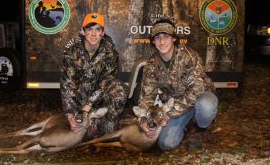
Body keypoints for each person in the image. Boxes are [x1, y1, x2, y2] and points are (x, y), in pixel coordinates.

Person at [138, 19, 218, 150]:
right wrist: (144, 121)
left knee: (206, 106)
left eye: (166, 37)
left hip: (199, 98)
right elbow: (146, 96)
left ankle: (197, 130)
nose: (162, 42)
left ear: (174, 38)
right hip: (176, 105)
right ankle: (185, 125)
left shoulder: (188, 56)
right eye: (157, 38)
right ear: (153, 41)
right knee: (165, 144)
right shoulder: (151, 64)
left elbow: (198, 89)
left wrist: (168, 115)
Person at [60, 13, 127, 140]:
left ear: (103, 32)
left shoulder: (110, 52)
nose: (94, 34)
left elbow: (106, 82)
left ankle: (109, 125)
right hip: (80, 100)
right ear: (83, 31)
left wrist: (89, 105)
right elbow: (66, 84)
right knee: (82, 133)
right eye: (90, 29)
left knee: (119, 89)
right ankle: (89, 125)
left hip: (98, 100)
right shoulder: (71, 52)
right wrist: (70, 115)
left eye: (98, 29)